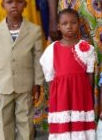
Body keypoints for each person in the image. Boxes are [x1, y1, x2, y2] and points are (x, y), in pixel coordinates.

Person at [0, 0, 45, 140]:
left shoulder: (34, 31)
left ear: (25, 4)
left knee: (26, 120)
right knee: (4, 122)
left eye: (18, 2)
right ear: (2, 5)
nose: (14, 5)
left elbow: (38, 59)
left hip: (26, 85)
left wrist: (38, 83)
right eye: (9, 2)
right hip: (2, 86)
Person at [40, 9, 97, 139]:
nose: (69, 26)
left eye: (73, 23)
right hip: (61, 93)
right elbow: (49, 76)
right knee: (63, 121)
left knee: (79, 121)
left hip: (81, 93)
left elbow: (90, 74)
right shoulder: (52, 49)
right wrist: (56, 94)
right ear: (58, 27)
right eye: (64, 23)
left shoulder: (86, 47)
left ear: (79, 24)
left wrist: (87, 94)